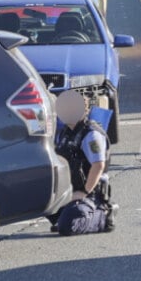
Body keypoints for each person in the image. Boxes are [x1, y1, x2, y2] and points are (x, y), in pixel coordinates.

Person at [49, 90, 116, 236]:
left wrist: (84, 192)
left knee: (68, 227)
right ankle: (67, 215)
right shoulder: (65, 133)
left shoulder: (91, 135)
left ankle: (103, 217)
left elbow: (98, 165)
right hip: (69, 191)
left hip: (89, 193)